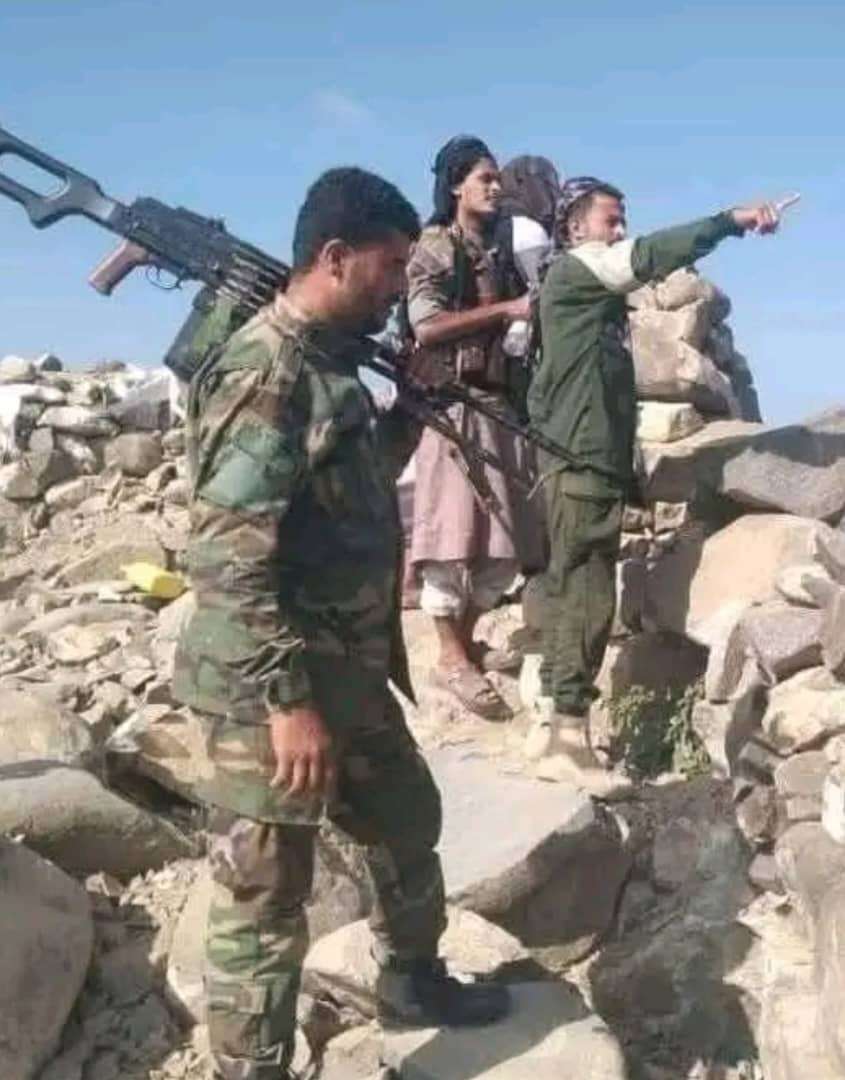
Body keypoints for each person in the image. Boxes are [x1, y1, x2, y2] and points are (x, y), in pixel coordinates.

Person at [172, 167, 509, 1080]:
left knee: (405, 819)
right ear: (333, 257)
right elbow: (227, 559)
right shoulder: (267, 371)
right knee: (266, 892)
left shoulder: (329, 366)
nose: (400, 285)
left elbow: (343, 490)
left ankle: (412, 981)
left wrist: (411, 414)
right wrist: (287, 704)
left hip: (345, 669)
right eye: (389, 266)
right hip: (269, 686)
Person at [525, 177, 783, 787]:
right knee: (588, 591)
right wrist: (730, 221)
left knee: (573, 582)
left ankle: (553, 728)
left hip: (580, 458)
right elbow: (647, 255)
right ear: (575, 228)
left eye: (622, 221)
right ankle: (568, 738)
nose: (620, 231)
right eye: (610, 221)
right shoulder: (580, 271)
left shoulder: (582, 297)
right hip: (582, 462)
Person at [406, 135, 545, 720]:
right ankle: (449, 655)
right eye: (484, 178)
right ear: (456, 186)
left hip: (499, 406)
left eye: (497, 178)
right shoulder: (437, 245)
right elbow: (427, 325)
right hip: (452, 406)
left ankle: (461, 647)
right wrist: (506, 310)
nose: (495, 187)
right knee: (449, 540)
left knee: (505, 545)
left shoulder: (503, 246)